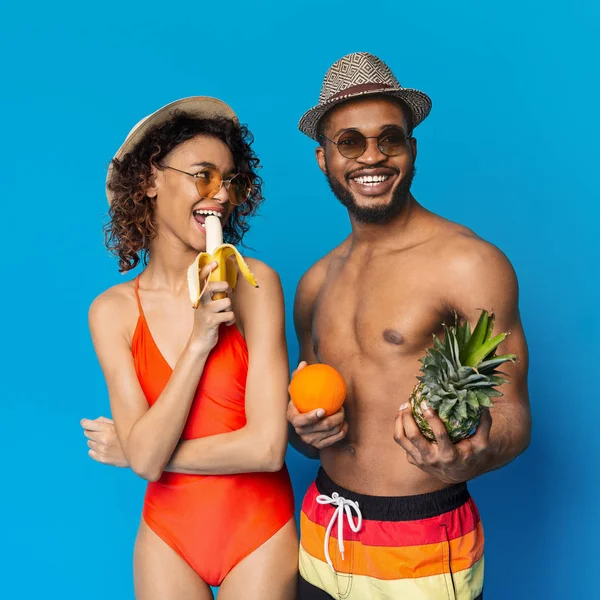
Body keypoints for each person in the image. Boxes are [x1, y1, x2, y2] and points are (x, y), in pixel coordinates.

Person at [287, 52, 531, 599]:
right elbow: (307, 434)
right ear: (323, 158)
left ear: (411, 149)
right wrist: (301, 431)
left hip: (422, 542)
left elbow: (514, 414)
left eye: (388, 139)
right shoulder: (314, 284)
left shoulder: (468, 263)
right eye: (349, 142)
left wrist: (470, 455)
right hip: (322, 531)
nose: (372, 156)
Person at [82, 97, 297, 600]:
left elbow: (266, 449)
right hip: (168, 535)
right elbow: (146, 460)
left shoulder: (256, 284)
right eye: (203, 175)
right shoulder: (111, 312)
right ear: (151, 180)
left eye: (230, 181)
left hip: (258, 531)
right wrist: (200, 341)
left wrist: (139, 453)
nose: (220, 195)